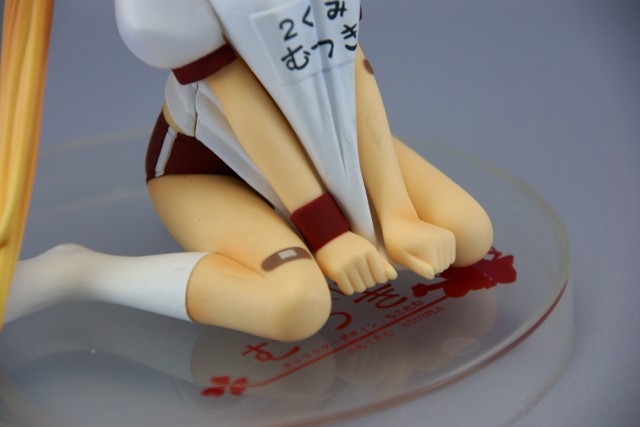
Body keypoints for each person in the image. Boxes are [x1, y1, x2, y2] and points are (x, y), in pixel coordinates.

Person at [1, 0, 492, 342]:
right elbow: (247, 110)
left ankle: (320, 222)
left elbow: (351, 67)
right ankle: (81, 273)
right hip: (208, 170)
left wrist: (397, 212)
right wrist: (328, 233)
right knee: (296, 303)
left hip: (326, 143)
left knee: (469, 234)